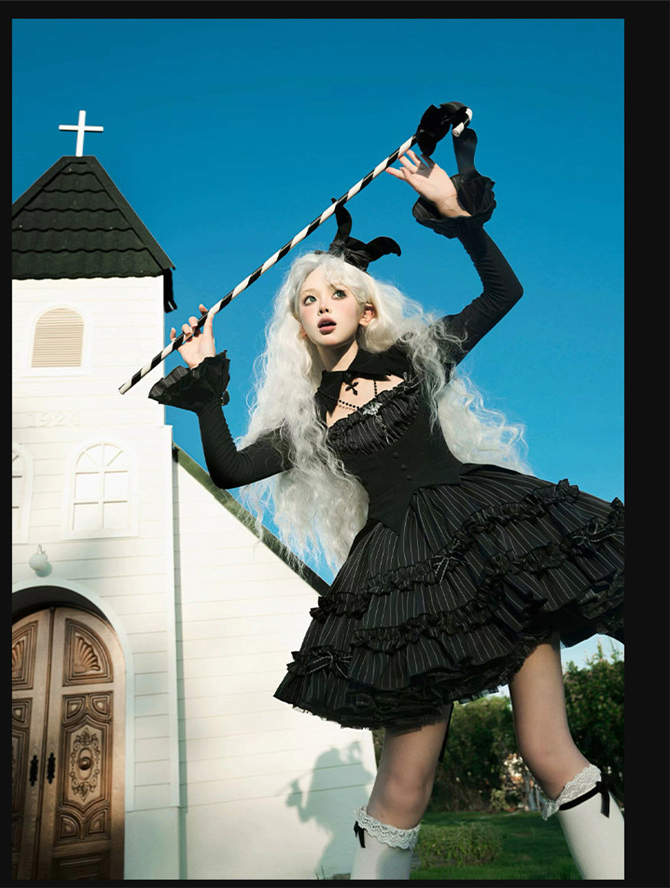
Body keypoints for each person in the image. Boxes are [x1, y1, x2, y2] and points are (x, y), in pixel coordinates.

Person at [149, 135, 624, 881]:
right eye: (308, 301)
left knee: (547, 749)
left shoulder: (417, 356)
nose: (321, 307)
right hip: (402, 578)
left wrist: (458, 218)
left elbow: (503, 294)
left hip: (494, 546)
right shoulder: (310, 419)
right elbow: (230, 468)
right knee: (404, 784)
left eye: (335, 294)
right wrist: (205, 377)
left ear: (366, 306)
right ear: (298, 326)